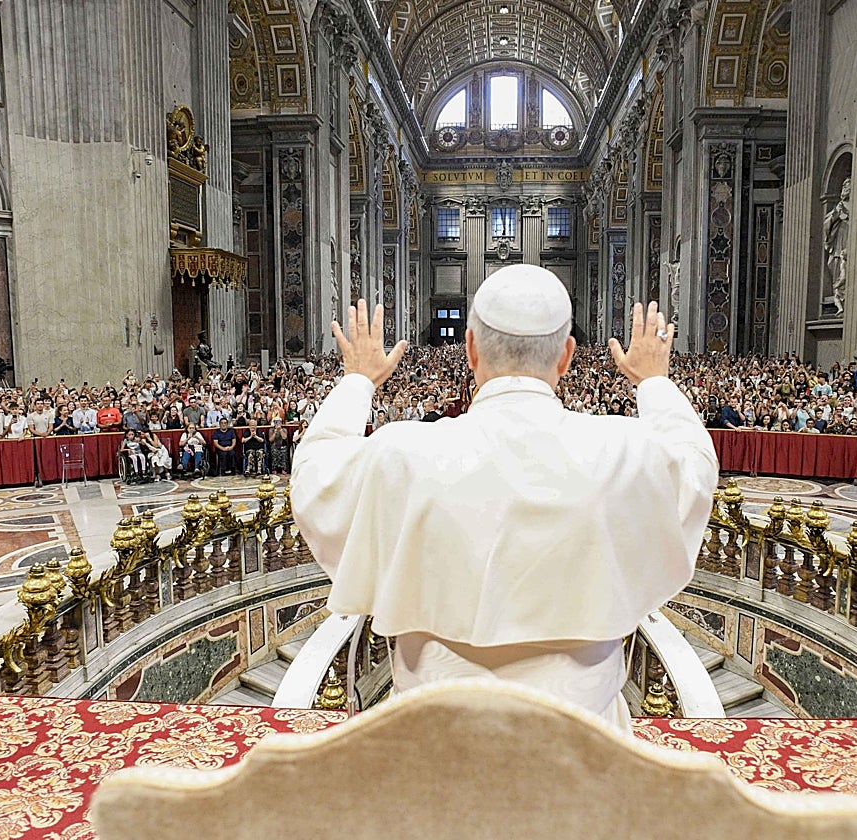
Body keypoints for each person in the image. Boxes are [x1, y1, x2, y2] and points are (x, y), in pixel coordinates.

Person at [292, 265, 718, 733]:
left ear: (470, 350)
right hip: (585, 746)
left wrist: (358, 380)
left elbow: (316, 477)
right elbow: (696, 468)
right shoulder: (624, 450)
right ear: (566, 356)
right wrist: (654, 382)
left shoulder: (402, 452)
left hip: (430, 740)